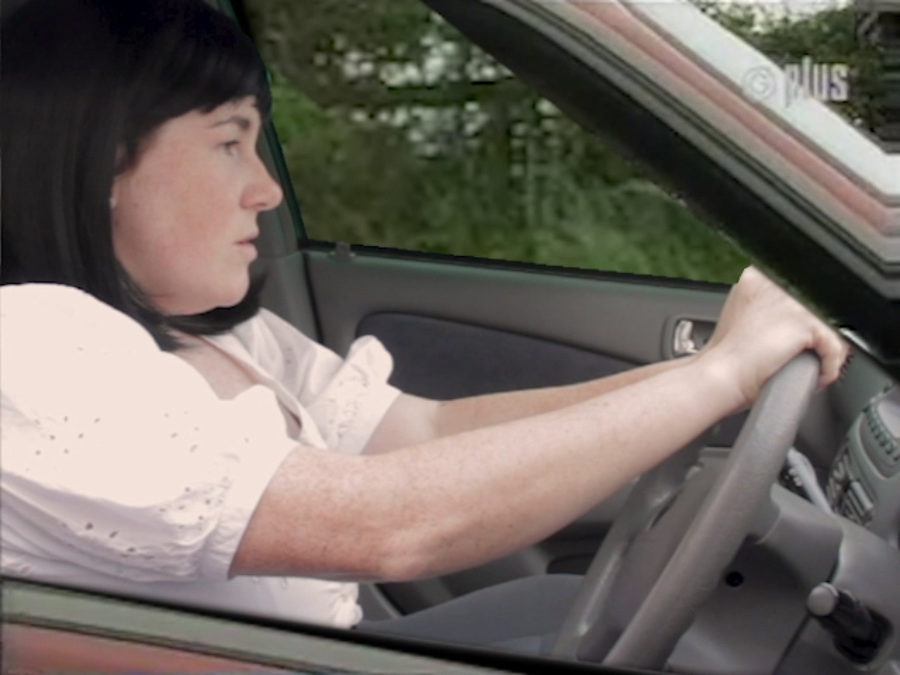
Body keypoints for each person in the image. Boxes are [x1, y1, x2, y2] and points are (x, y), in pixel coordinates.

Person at [0, 0, 848, 654]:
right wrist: (722, 376)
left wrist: (703, 377)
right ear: (105, 160)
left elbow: (424, 431)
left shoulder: (213, 336)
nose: (264, 190)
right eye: (231, 143)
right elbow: (390, 524)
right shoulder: (29, 351)